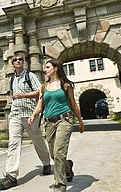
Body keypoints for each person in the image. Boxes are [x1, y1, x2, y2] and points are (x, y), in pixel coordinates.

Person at [28, 58, 85, 192]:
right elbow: (40, 104)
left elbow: (73, 104)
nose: (45, 69)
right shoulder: (44, 87)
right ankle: (67, 168)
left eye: (47, 67)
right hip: (48, 123)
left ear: (55, 68)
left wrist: (80, 121)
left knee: (59, 153)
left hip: (63, 121)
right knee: (54, 155)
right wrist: (33, 115)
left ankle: (59, 187)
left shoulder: (65, 85)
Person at [0, 53, 51, 190]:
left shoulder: (30, 75)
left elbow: (40, 91)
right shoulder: (12, 79)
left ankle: (46, 162)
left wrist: (23, 95)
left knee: (37, 140)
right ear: (12, 63)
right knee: (13, 144)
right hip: (15, 114)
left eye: (20, 59)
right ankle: (11, 176)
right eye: (15, 59)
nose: (18, 61)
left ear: (24, 61)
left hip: (29, 114)